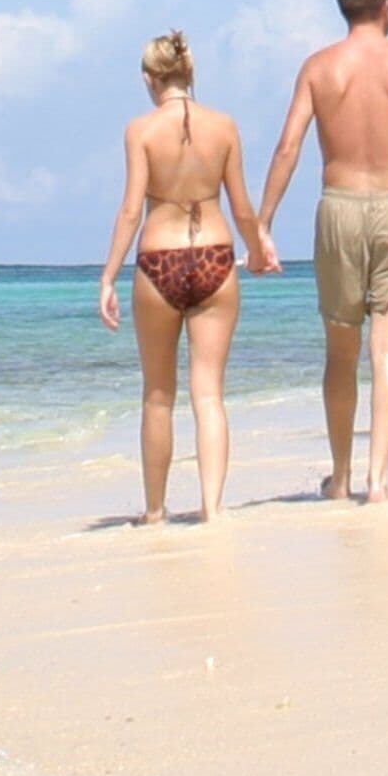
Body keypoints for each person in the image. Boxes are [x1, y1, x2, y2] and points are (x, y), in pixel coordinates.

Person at [253, 0, 388, 504]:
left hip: (339, 209)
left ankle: (341, 478)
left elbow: (288, 148)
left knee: (340, 352)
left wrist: (262, 224)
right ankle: (380, 481)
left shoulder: (320, 68)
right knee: (387, 350)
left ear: (342, 6)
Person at [96, 30, 269, 525]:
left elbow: (132, 209)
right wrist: (257, 252)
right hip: (215, 255)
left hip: (158, 261)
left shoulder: (140, 130)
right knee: (209, 392)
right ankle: (213, 507)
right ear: (190, 73)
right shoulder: (225, 126)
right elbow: (241, 206)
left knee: (157, 395)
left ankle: (154, 511)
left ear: (151, 78)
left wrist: (108, 276)